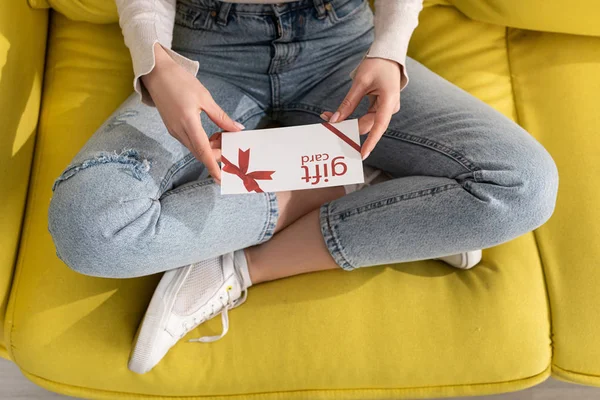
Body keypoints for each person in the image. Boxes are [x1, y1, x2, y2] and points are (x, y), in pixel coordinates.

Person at [47, 0, 559, 374]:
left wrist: (390, 49)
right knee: (90, 229)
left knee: (523, 185)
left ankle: (239, 264)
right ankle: (340, 178)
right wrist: (156, 61)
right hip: (204, 54)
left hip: (344, 49)